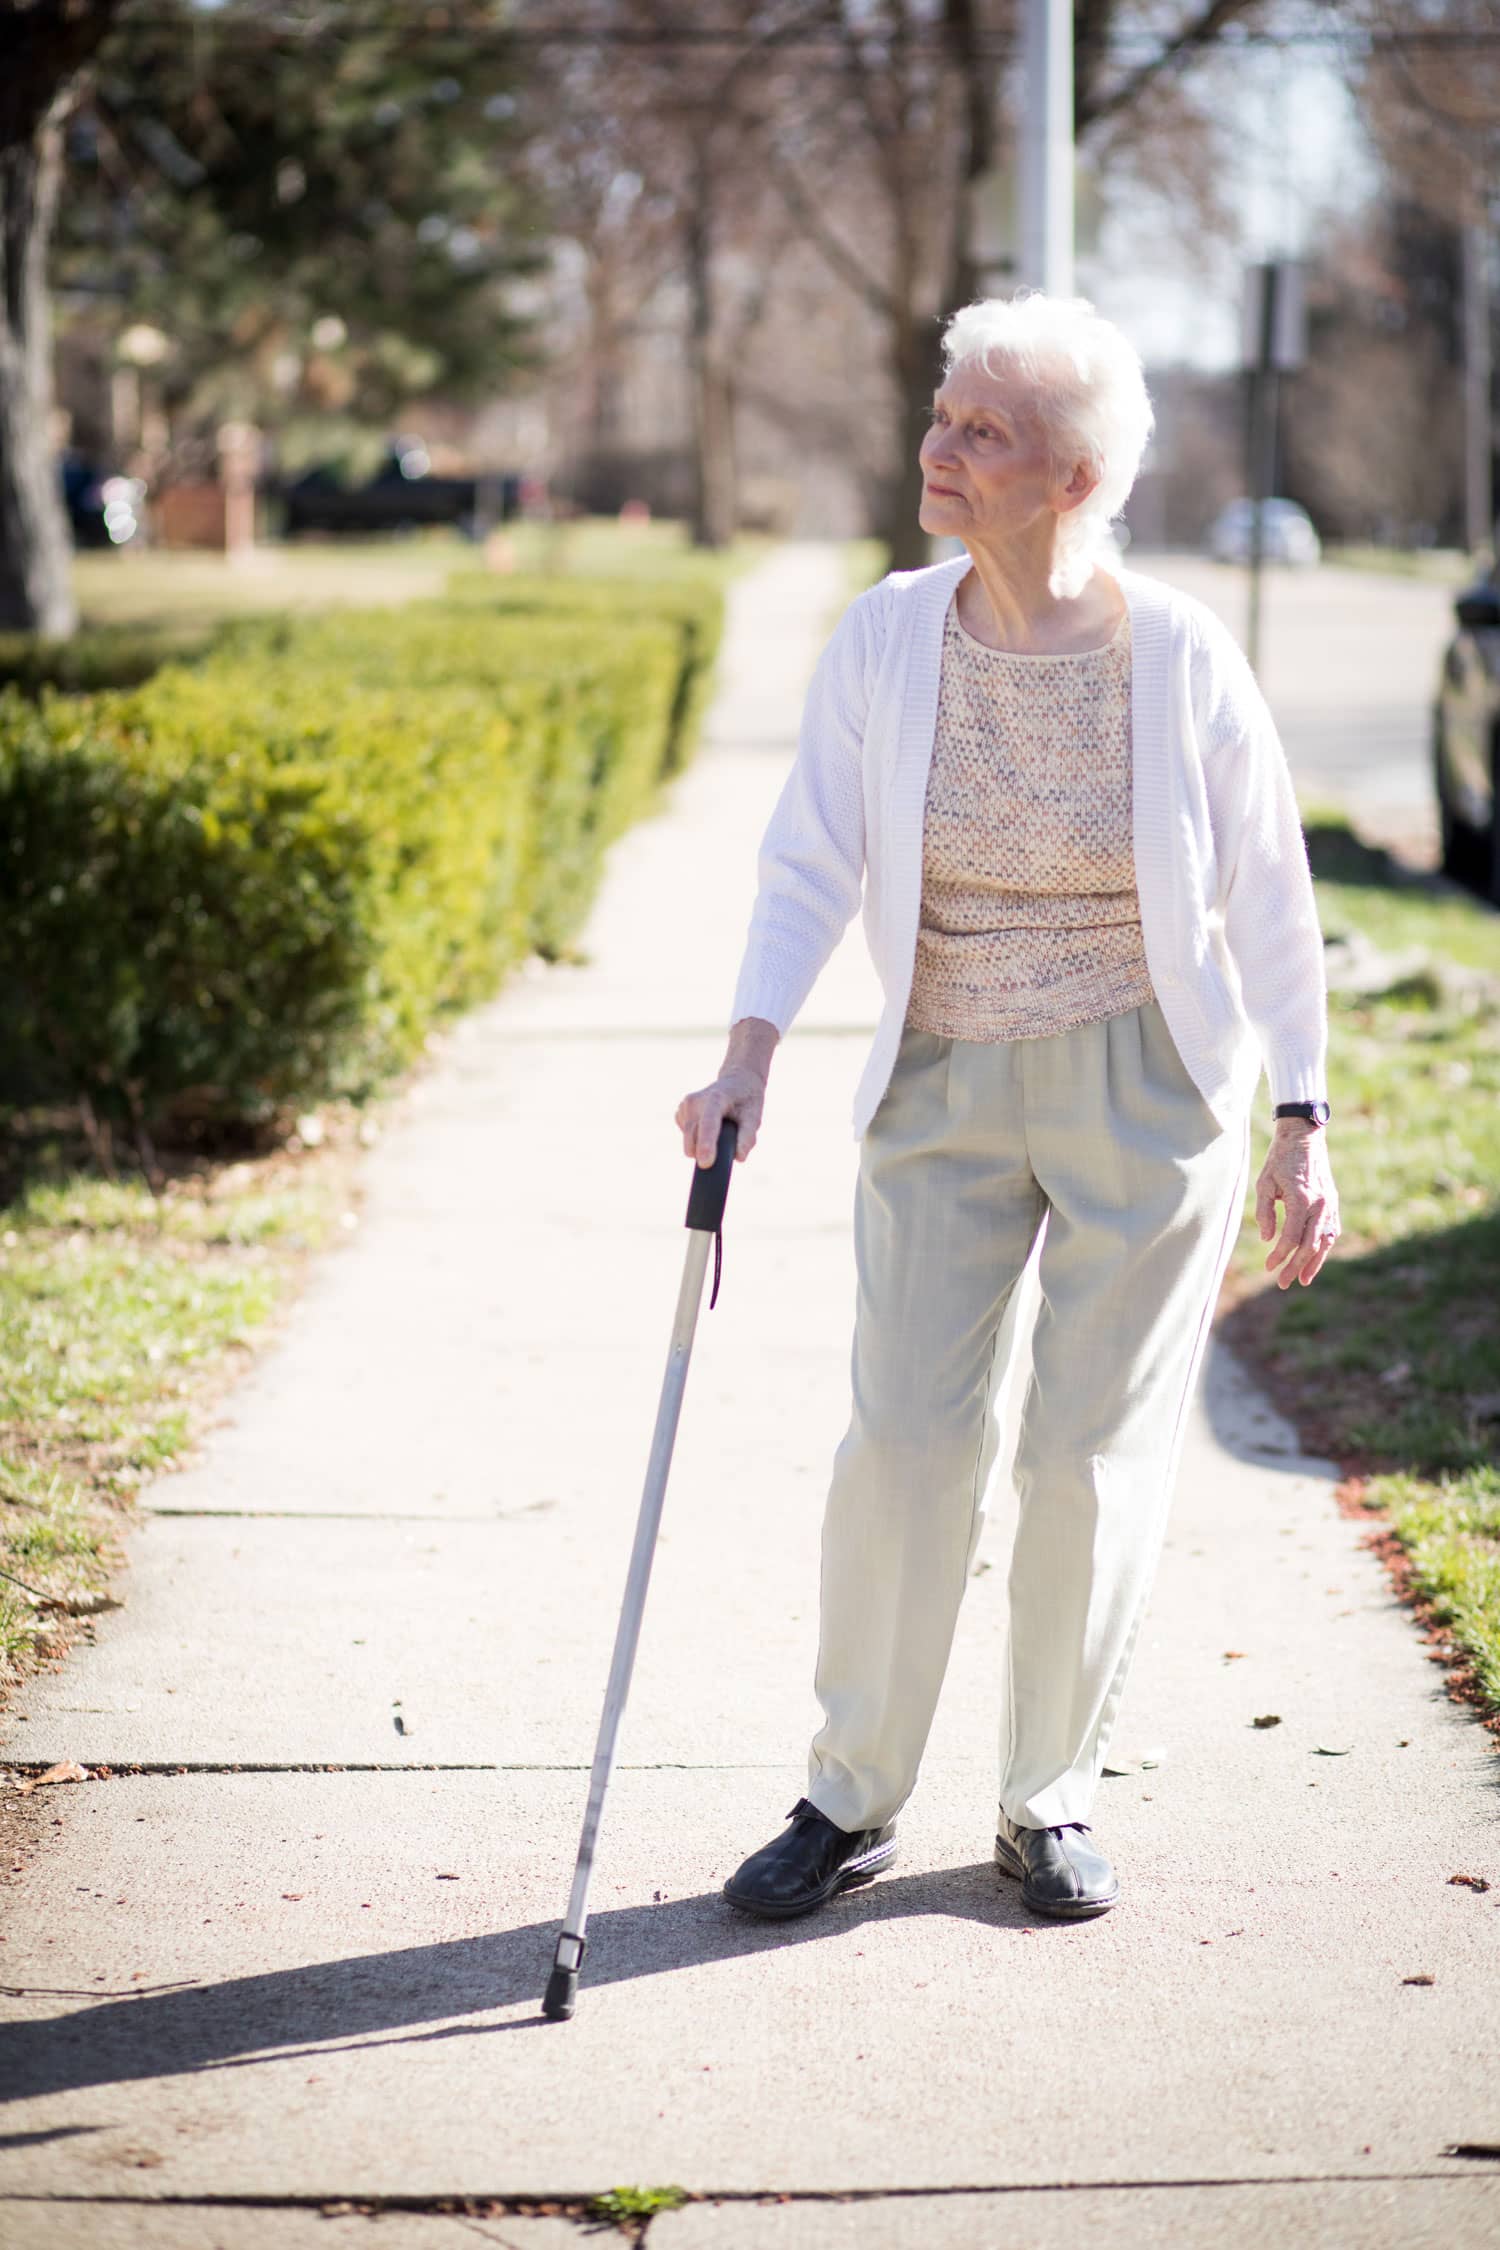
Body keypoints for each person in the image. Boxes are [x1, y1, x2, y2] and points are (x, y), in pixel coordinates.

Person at [674, 291, 1339, 1924]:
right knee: (905, 1437)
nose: (942, 447)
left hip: (1146, 1082)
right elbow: (809, 858)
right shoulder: (890, 636)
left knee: (1087, 1456)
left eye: (986, 430)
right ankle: (850, 1794)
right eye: (944, 414)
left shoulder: (1177, 655)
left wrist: (1302, 1118)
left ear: (1076, 477)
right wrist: (749, 1051)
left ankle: (1048, 1795)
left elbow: (1271, 892)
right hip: (943, 1073)